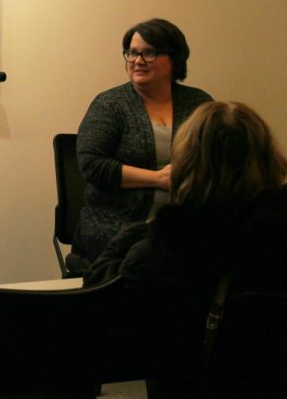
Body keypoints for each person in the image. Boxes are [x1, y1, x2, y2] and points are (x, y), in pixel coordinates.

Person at [84, 101, 287, 396]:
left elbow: (101, 289)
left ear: (185, 164)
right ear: (269, 157)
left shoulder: (171, 245)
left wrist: (145, 227)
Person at [71, 18, 212, 264]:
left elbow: (218, 159)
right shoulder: (110, 105)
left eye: (149, 53)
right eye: (132, 53)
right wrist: (159, 179)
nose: (138, 61)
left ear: (175, 59)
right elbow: (91, 165)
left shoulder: (198, 103)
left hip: (187, 224)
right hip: (117, 227)